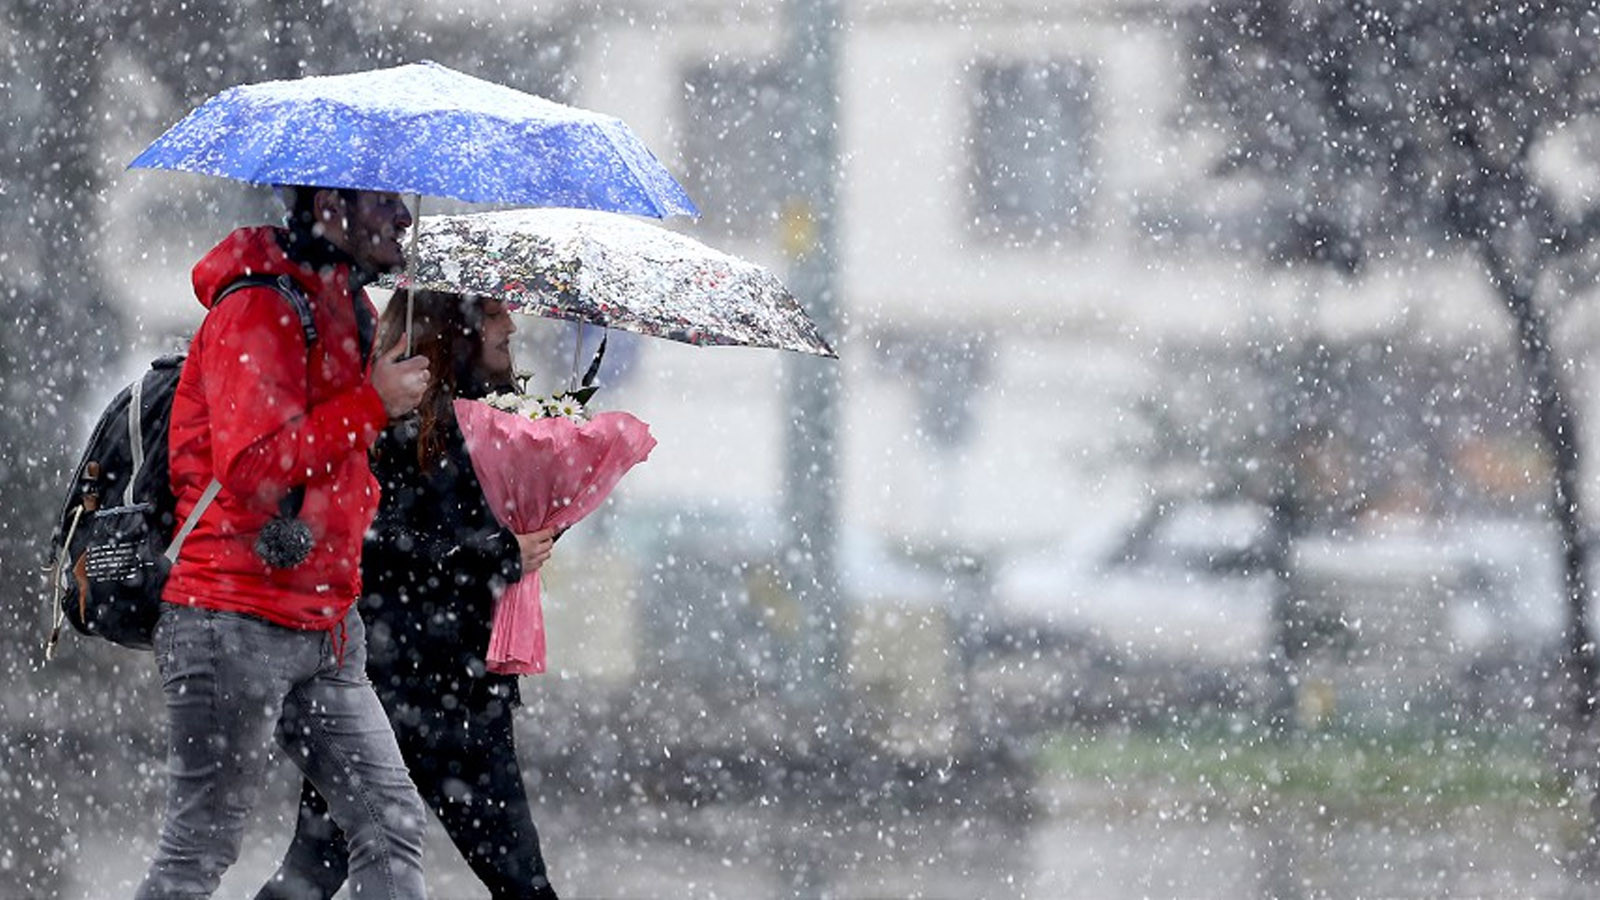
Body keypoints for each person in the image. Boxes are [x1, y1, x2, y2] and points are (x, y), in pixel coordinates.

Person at [137, 186, 433, 900]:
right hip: (230, 616)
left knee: (391, 828)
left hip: (328, 624)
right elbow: (251, 467)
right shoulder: (260, 307)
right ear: (330, 203)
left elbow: (341, 454)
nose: (404, 216)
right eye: (382, 201)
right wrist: (373, 404)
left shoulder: (348, 306)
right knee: (199, 850)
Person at [257, 290, 561, 900]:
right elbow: (373, 544)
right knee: (313, 872)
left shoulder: (501, 420)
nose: (511, 325)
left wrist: (548, 510)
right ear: (458, 328)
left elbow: (489, 535)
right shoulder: (391, 421)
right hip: (390, 690)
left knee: (521, 885)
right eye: (496, 313)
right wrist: (496, 553)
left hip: (464, 692)